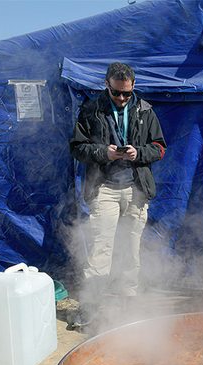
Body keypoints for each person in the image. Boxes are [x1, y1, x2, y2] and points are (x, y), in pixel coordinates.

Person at [70, 62, 167, 325]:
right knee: (102, 248)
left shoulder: (145, 110)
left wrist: (139, 153)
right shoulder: (91, 109)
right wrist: (105, 152)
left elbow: (159, 148)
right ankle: (91, 306)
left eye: (126, 93)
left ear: (133, 86)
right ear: (107, 85)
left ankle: (129, 304)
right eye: (116, 93)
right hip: (104, 188)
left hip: (136, 189)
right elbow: (77, 147)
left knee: (132, 249)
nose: (122, 98)